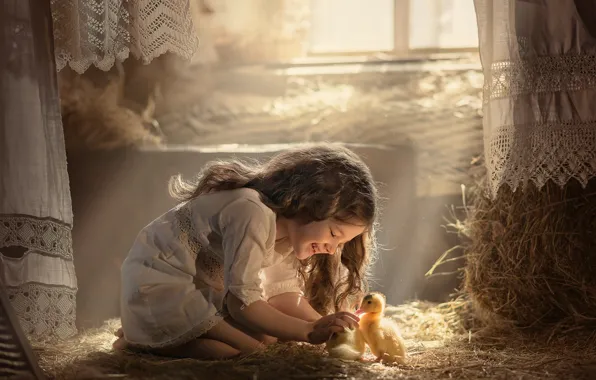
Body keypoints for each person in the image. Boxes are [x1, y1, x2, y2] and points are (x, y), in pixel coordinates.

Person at [112, 144, 379, 359]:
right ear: (309, 204)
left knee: (268, 337)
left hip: (200, 288)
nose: (332, 249)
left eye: (340, 244)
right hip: (161, 284)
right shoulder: (250, 212)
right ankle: (142, 343)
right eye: (334, 234)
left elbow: (282, 294)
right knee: (246, 351)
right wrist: (308, 331)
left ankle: (152, 333)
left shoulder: (287, 233)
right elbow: (242, 304)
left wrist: (325, 324)